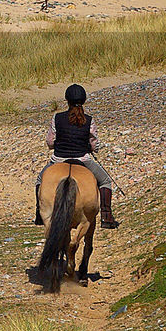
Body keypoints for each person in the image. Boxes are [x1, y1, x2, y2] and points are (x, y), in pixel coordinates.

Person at [34, 83, 118, 228]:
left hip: (58, 159)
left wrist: (56, 145)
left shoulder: (57, 118)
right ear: (84, 100)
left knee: (40, 181)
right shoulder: (89, 120)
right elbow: (94, 144)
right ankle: (107, 216)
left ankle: (39, 214)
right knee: (105, 181)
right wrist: (92, 148)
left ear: (67, 101)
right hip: (82, 160)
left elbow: (50, 141)